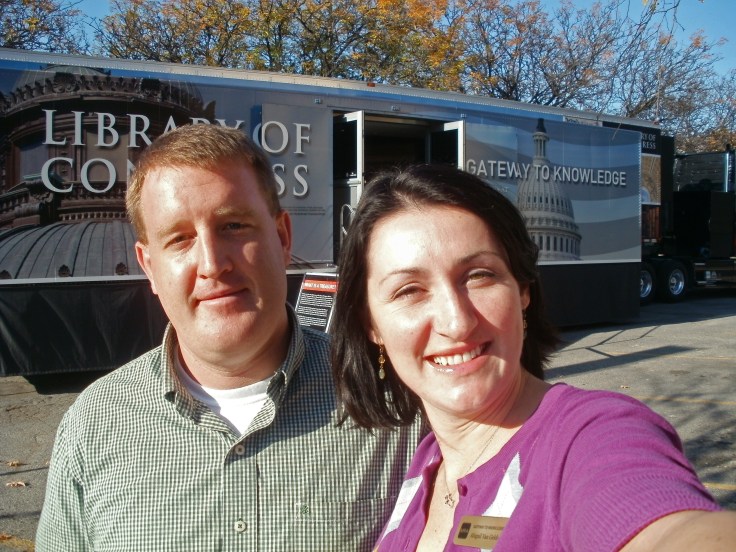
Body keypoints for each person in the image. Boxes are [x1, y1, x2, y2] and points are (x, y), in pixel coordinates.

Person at [36, 124, 422, 552]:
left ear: (282, 238)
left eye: (234, 225)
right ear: (150, 268)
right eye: (180, 239)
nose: (212, 264)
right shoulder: (92, 427)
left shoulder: (396, 405)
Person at [330, 164, 736, 551]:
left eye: (479, 275)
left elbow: (665, 526)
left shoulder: (588, 439)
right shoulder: (429, 461)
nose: (456, 322)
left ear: (523, 289)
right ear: (371, 324)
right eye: (409, 291)